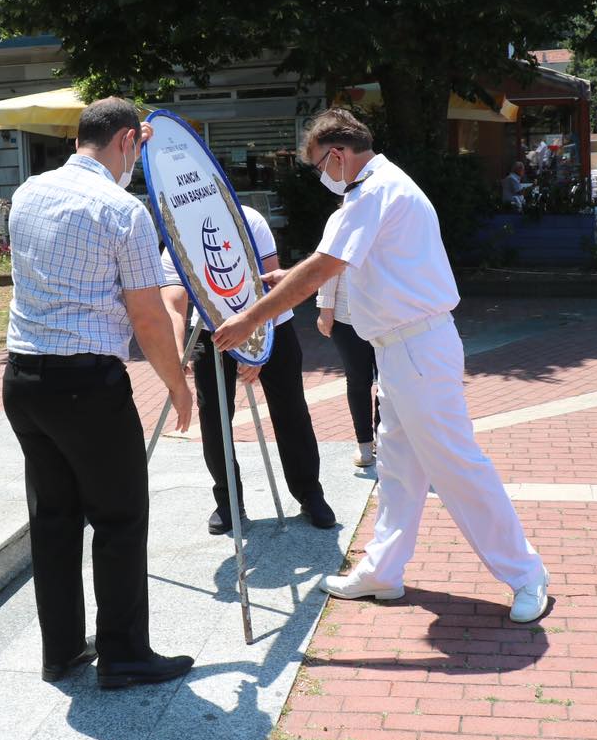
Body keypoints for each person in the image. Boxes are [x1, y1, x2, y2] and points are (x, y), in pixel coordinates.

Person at [212, 108, 549, 622]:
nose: (321, 176)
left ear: (338, 155)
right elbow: (338, 263)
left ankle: (526, 574)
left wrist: (250, 317)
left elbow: (325, 267)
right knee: (399, 469)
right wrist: (280, 282)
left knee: (455, 465)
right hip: (404, 349)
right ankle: (384, 571)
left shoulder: (371, 192)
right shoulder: (378, 188)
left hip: (414, 347)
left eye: (319, 166)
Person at [3, 96, 195, 689]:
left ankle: (60, 649)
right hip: (86, 383)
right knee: (118, 518)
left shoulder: (28, 191)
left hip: (23, 378)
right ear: (128, 142)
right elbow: (147, 315)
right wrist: (178, 385)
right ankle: (124, 654)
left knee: (54, 519)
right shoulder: (121, 209)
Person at [159, 205, 335, 535]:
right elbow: (173, 300)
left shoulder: (249, 220)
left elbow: (271, 283)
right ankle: (228, 501)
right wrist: (175, 350)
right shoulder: (176, 235)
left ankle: (310, 493)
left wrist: (255, 347)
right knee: (213, 416)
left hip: (271, 324)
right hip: (212, 330)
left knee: (291, 411)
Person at [317, 266, 378, 468]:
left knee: (390, 383)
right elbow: (330, 263)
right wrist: (325, 309)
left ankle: (385, 439)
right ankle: (364, 443)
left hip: (388, 318)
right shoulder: (344, 232)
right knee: (358, 382)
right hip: (347, 317)